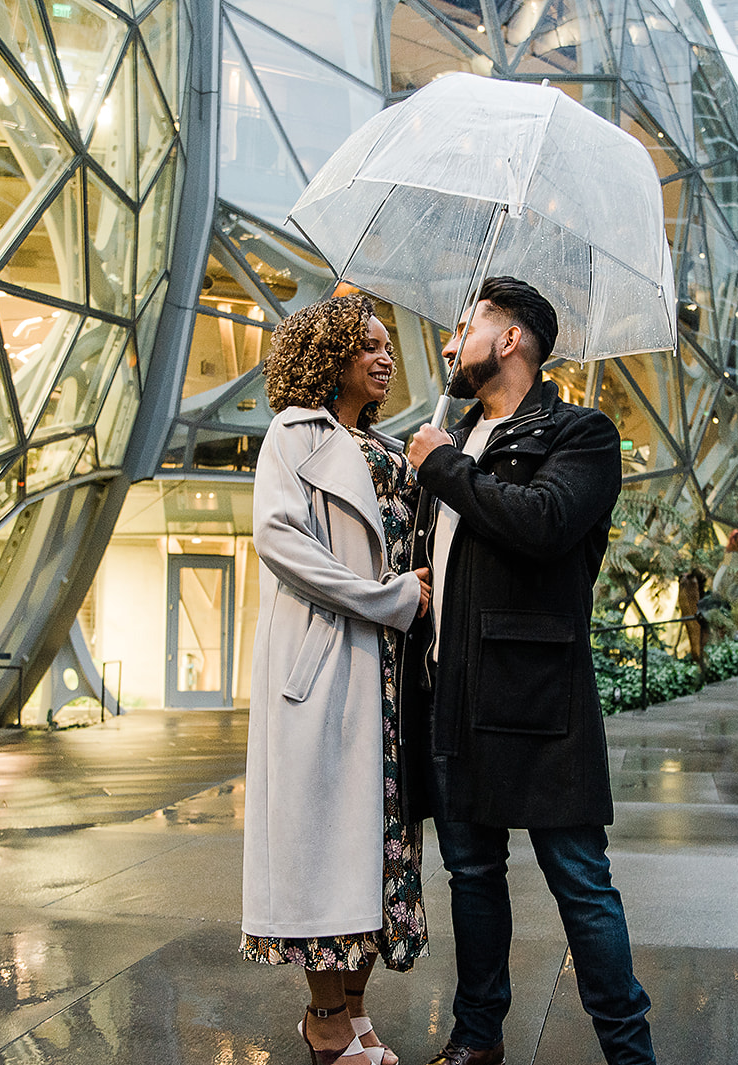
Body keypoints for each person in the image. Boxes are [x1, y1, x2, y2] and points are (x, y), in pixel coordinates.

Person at [404, 277, 655, 1065]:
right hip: (455, 689)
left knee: (579, 879)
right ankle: (478, 1038)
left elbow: (543, 523)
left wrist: (444, 469)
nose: (450, 343)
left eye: (466, 325)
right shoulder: (461, 434)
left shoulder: (579, 433)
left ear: (510, 339)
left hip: (539, 697)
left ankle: (629, 1050)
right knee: (471, 875)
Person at [242, 292, 433, 1065]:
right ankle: (323, 1018)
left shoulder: (387, 446)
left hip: (389, 674)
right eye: (370, 346)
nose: (386, 357)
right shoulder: (294, 436)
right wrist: (394, 598)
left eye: (389, 346)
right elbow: (280, 541)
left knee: (384, 848)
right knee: (325, 848)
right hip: (328, 664)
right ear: (330, 358)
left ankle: (354, 1012)